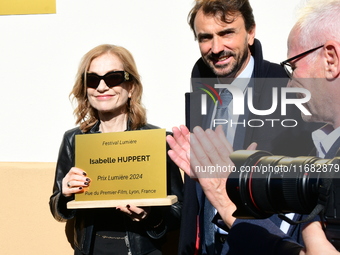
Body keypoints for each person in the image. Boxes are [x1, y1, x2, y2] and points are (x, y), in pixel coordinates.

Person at [169, 0, 340, 254]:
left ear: (250, 33)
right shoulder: (200, 90)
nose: (216, 47)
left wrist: (236, 208)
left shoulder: (290, 87)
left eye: (227, 33)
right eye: (206, 37)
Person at [49, 44, 183, 255]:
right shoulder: (74, 139)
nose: (102, 87)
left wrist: (151, 216)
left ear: (130, 88)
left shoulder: (158, 140)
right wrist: (65, 194)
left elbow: (179, 211)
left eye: (113, 78)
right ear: (86, 89)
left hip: (143, 251)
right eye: (92, 80)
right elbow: (57, 209)